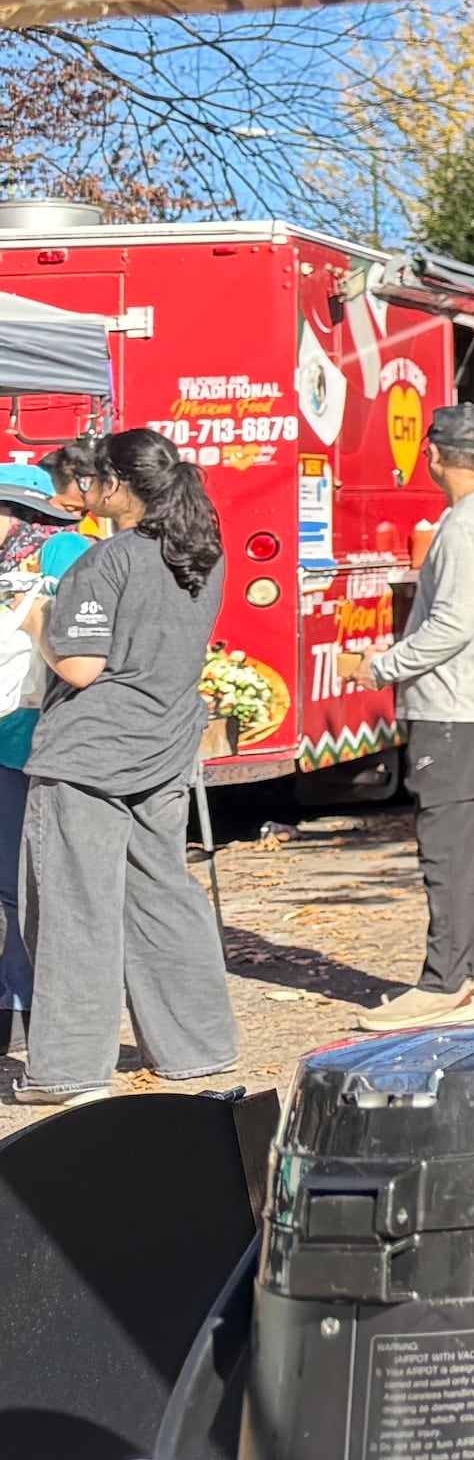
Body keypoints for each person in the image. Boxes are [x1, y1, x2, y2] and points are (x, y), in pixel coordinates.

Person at [19, 429, 240, 1102]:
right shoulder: (205, 555)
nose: (86, 494)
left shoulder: (107, 560)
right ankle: (197, 1047)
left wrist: (38, 626)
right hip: (166, 748)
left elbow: (82, 668)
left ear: (115, 486)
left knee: (71, 908)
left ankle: (67, 1070)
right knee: (163, 896)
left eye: (91, 483)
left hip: (89, 754)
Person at [360, 402, 474, 1021]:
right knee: (466, 846)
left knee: (446, 847)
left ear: (432, 455)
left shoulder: (464, 526)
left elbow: (451, 626)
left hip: (459, 706)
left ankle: (444, 985)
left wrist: (381, 664)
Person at [0, 463, 93, 1067]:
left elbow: (81, 642)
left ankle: (34, 1015)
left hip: (30, 740)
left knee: (23, 888)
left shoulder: (66, 551)